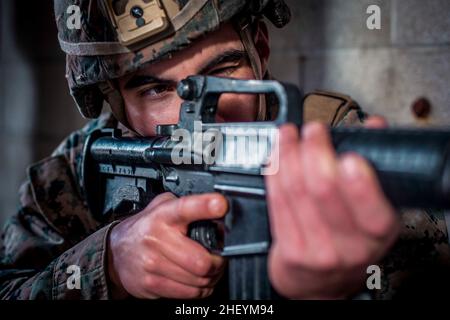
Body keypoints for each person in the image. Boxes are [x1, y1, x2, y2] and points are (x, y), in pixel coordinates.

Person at [1, 0, 449, 300]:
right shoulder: (78, 171)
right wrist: (108, 263)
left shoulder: (333, 151)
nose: (200, 114)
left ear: (260, 50)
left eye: (222, 68)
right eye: (156, 89)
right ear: (116, 103)